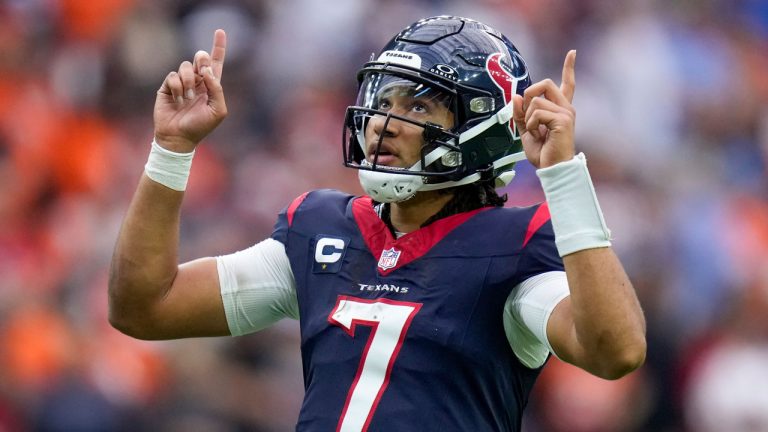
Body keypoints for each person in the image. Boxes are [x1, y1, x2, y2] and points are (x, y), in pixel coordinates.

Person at [109, 16, 646, 431]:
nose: (383, 124)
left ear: (481, 130)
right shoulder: (321, 230)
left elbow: (614, 350)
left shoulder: (512, 248)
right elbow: (145, 307)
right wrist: (172, 151)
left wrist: (564, 177)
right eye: (382, 100)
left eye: (418, 107)